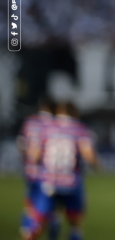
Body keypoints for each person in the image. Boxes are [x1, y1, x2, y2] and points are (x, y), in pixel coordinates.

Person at [24, 101, 99, 240]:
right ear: (74, 113)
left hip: (49, 183)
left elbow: (34, 156)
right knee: (75, 225)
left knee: (37, 223)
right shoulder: (79, 129)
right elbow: (89, 155)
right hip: (71, 184)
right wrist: (98, 166)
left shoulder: (46, 128)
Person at [18, 96, 61, 240]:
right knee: (51, 211)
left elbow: (21, 146)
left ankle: (26, 231)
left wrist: (27, 163)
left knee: (30, 207)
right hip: (47, 174)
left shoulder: (30, 122)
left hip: (29, 172)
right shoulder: (55, 124)